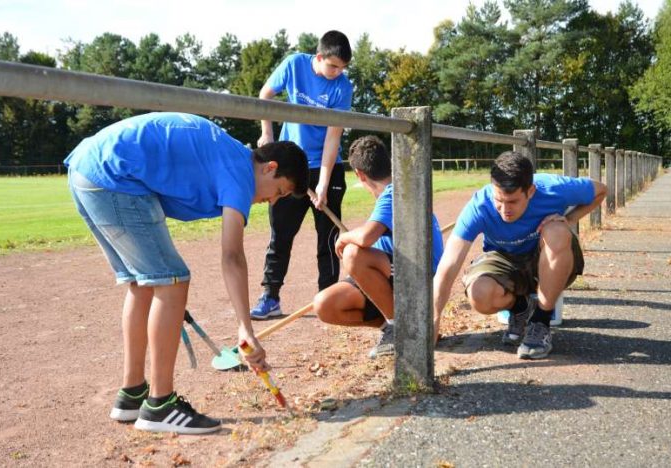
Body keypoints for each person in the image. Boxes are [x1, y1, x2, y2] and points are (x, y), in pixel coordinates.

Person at [64, 112, 309, 434]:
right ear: (270, 167)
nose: (271, 201)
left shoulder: (231, 156)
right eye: (278, 192)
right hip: (113, 177)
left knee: (143, 285)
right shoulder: (240, 173)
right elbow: (232, 256)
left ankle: (132, 394)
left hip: (87, 169)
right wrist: (245, 330)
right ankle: (160, 405)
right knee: (173, 281)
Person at [433, 151, 607, 359]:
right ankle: (521, 307)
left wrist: (569, 220)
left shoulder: (553, 188)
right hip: (504, 259)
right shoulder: (479, 206)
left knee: (557, 231)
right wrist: (433, 319)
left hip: (544, 255)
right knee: (479, 294)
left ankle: (541, 321)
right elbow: (449, 263)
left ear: (531, 191)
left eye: (513, 202)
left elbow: (601, 190)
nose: (504, 209)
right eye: (499, 200)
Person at [251, 30, 354, 320]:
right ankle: (270, 297)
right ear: (318, 57)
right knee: (280, 234)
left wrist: (322, 182)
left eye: (342, 68)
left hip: (326, 166)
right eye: (333, 66)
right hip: (290, 164)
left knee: (328, 236)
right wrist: (267, 134)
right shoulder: (294, 64)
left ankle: (329, 297)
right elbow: (265, 96)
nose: (337, 73)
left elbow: (333, 137)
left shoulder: (343, 88)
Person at [312, 136, 444, 358]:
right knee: (324, 304)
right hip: (395, 272)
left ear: (359, 174)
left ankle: (403, 329)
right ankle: (391, 327)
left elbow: (365, 238)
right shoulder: (396, 190)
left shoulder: (395, 192)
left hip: (418, 280)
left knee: (353, 254)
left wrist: (344, 239)